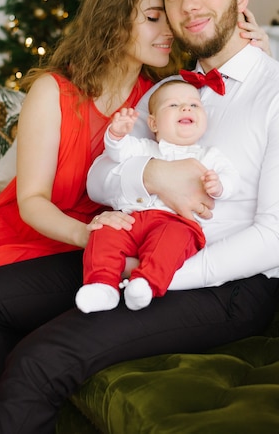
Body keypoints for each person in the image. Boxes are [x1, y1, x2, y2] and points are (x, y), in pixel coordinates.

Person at [0, 0, 279, 434]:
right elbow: (104, 176)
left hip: (228, 283)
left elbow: (275, 239)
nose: (188, 5)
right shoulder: (174, 89)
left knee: (41, 358)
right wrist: (150, 172)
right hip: (139, 244)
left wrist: (151, 273)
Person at [0, 0, 180, 434]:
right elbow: (31, 200)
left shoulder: (158, 101)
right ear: (115, 20)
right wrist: (86, 232)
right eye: (153, 17)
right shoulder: (53, 91)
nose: (168, 30)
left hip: (101, 243)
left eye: (167, 18)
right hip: (34, 226)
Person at [76, 79, 239, 313]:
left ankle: (145, 283)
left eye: (195, 105)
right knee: (105, 233)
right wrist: (116, 134)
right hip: (134, 220)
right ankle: (102, 286)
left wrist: (219, 185)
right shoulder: (144, 148)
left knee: (170, 241)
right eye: (173, 105)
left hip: (177, 222)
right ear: (153, 123)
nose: (186, 108)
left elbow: (231, 178)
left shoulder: (208, 156)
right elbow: (118, 153)